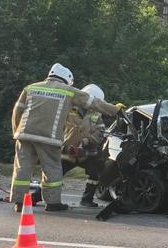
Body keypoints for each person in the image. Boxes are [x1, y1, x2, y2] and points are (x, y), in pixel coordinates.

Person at [11, 64, 121, 212]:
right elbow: (93, 102)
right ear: (68, 79)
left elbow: (17, 111)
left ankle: (19, 203)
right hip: (48, 138)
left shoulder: (30, 88)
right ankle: (52, 203)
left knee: (22, 170)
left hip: (25, 134)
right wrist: (115, 110)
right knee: (52, 170)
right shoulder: (68, 91)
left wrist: (17, 132)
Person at [61, 83, 112, 208]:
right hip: (66, 151)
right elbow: (58, 129)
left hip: (87, 153)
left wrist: (86, 142)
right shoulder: (67, 108)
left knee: (94, 174)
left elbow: (100, 133)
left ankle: (87, 199)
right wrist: (67, 147)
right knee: (53, 174)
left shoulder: (96, 113)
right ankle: (39, 196)